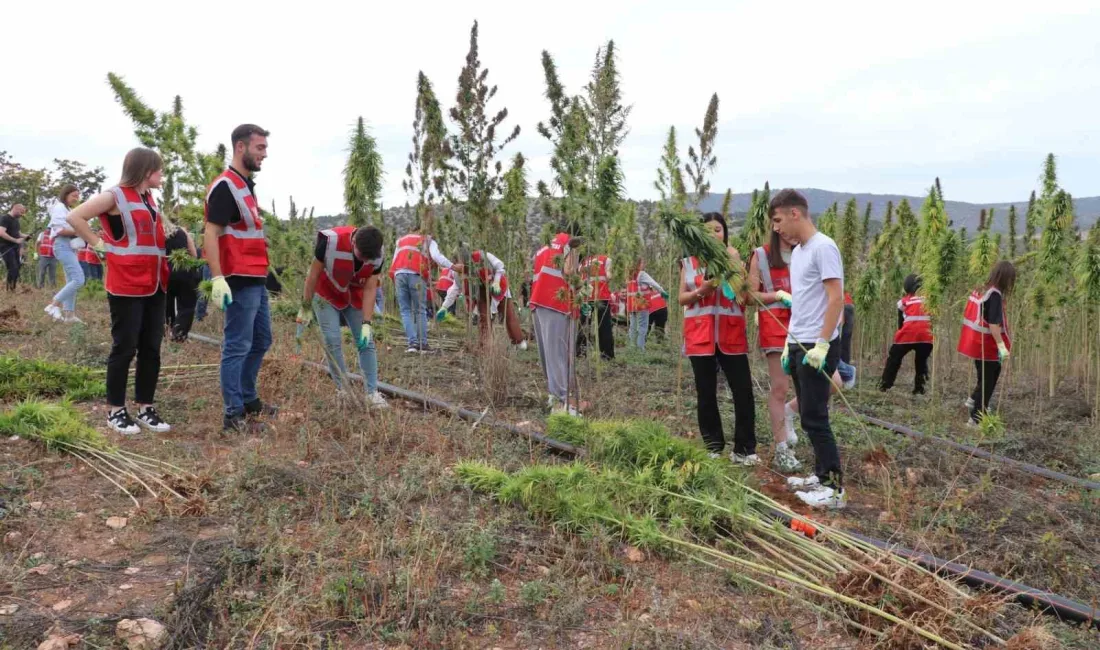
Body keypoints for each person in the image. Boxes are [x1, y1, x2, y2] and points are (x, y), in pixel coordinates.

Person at [66, 148, 172, 435]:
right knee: (124, 346)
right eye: (158, 169)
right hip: (126, 282)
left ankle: (145, 407)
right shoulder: (115, 195)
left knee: (151, 347)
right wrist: (97, 245)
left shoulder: (149, 199)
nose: (162, 174)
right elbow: (75, 217)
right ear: (145, 169)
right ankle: (115, 411)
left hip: (155, 282)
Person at [770, 189, 846, 509]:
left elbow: (836, 299)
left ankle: (834, 489)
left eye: (778, 220)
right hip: (800, 342)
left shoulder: (823, 248)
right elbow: (803, 301)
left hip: (818, 344)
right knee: (809, 415)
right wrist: (790, 345)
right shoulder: (799, 252)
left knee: (815, 417)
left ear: (795, 214)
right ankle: (820, 474)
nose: (776, 228)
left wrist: (823, 343)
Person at [204, 124, 277, 433]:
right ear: (240, 147)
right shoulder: (225, 186)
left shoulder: (245, 185)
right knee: (237, 345)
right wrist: (217, 277)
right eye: (259, 148)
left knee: (261, 340)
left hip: (255, 276)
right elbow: (211, 232)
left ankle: (248, 399)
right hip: (237, 277)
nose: (264, 154)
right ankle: (233, 414)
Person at [680, 213, 757, 464]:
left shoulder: (735, 260)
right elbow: (681, 298)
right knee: (706, 391)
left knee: (743, 391)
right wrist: (701, 291)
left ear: (725, 233)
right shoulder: (689, 263)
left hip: (730, 334)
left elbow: (744, 299)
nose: (714, 234)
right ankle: (713, 446)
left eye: (718, 230)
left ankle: (744, 449)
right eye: (708, 230)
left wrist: (734, 266)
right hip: (700, 334)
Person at [298, 224, 388, 408]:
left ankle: (371, 393)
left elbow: (371, 287)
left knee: (366, 341)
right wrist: (306, 306)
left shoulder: (378, 254)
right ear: (353, 241)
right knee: (332, 340)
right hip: (326, 293)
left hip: (354, 296)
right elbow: (313, 275)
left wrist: (366, 323)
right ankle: (343, 390)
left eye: (367, 258)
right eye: (361, 255)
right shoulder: (329, 241)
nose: (364, 260)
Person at [748, 228, 801, 473]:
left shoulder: (808, 251)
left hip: (805, 325)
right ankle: (781, 450)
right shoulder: (761, 255)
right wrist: (777, 294)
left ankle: (790, 412)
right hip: (775, 326)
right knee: (780, 387)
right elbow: (750, 295)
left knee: (833, 380)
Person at [530, 226, 584, 415]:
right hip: (557, 302)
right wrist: (582, 285)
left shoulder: (544, 246)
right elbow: (569, 271)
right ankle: (561, 403)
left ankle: (556, 396)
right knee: (561, 352)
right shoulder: (569, 243)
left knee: (549, 353)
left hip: (538, 301)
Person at [390, 216, 462, 353]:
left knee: (405, 311)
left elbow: (394, 262)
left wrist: (395, 280)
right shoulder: (427, 240)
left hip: (399, 274)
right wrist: (453, 266)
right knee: (420, 310)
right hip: (416, 274)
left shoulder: (400, 241)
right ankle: (422, 344)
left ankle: (412, 344)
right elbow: (437, 257)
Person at [958, 261, 1015, 425]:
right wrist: (1002, 348)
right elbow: (993, 324)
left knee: (984, 379)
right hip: (988, 347)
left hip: (978, 345)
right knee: (989, 381)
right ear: (1005, 278)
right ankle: (975, 420)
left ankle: (973, 400)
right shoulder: (995, 295)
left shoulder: (983, 289)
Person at [440, 248, 526, 348]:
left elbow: (500, 266)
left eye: (461, 263)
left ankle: (518, 341)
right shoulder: (457, 274)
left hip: (498, 287)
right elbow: (454, 290)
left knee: (508, 313)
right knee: (484, 318)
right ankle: (485, 346)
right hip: (481, 293)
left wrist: (497, 282)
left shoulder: (483, 256)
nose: (460, 267)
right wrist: (444, 307)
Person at [879, 274, 933, 394]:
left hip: (907, 335)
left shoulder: (903, 301)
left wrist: (899, 338)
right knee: (921, 362)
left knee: (894, 358)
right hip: (926, 337)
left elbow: (901, 323)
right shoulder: (930, 300)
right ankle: (919, 388)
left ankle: (885, 385)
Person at [43, 186, 85, 323]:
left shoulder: (69, 210)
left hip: (70, 246)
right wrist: (80, 231)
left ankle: (69, 315)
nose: (76, 198)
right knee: (78, 279)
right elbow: (60, 229)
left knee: (71, 280)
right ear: (65, 194)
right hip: (62, 245)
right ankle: (53, 305)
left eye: (77, 196)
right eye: (74, 195)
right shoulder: (59, 207)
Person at [164, 216, 200, 342]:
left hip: (165, 270)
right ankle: (179, 334)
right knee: (186, 305)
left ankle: (166, 331)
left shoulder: (157, 234)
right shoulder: (182, 231)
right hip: (184, 269)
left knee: (165, 304)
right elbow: (194, 253)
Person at [577, 253, 615, 361]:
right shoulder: (606, 259)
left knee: (584, 324)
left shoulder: (583, 262)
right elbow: (609, 276)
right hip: (601, 296)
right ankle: (606, 355)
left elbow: (580, 281)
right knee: (604, 326)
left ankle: (581, 352)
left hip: (586, 298)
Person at [627, 260, 667, 351]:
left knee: (632, 326)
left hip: (632, 304)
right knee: (642, 326)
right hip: (642, 303)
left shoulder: (629, 275)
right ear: (638, 264)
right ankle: (640, 348)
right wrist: (663, 292)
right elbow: (653, 283)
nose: (644, 265)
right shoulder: (642, 274)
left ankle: (632, 347)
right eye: (642, 263)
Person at [0, 204, 27, 291]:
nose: (22, 215)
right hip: (5, 247)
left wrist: (26, 236)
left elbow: (19, 234)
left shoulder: (16, 221)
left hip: (15, 247)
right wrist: (15, 240)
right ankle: (10, 289)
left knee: (17, 267)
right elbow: (1, 232)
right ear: (15, 209)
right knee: (13, 267)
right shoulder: (4, 218)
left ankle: (12, 288)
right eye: (21, 212)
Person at [836, 292, 857, 388]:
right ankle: (845, 372)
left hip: (843, 306)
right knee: (843, 342)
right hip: (842, 305)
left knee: (840, 342)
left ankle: (846, 373)